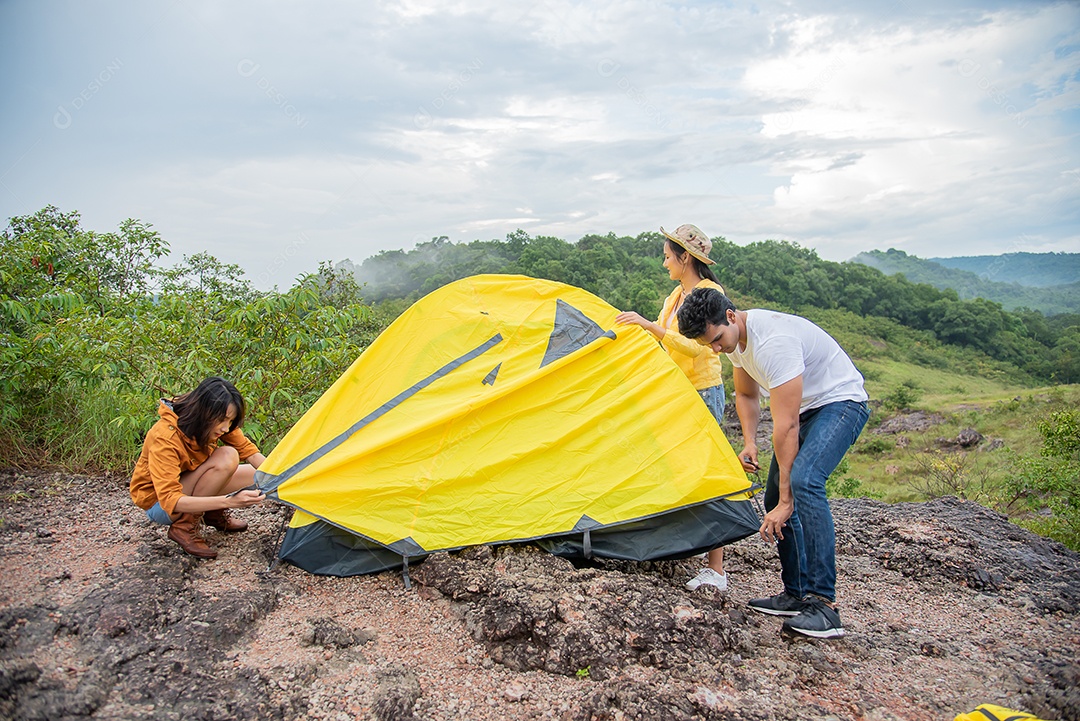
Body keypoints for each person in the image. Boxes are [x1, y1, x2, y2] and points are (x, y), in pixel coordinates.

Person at [677, 288, 869, 638]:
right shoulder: (737, 341)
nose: (716, 350)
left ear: (731, 316)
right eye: (710, 346)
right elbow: (748, 395)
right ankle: (795, 593)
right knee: (773, 496)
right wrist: (750, 442)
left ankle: (824, 606)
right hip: (809, 409)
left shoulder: (773, 343)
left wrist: (786, 501)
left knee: (806, 482)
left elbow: (787, 425)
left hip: (840, 402)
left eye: (718, 340)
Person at [615, 223, 731, 592]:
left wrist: (651, 327)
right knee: (676, 468)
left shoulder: (710, 294)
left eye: (668, 256)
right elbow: (665, 343)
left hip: (702, 390)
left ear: (685, 258)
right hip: (678, 389)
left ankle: (717, 570)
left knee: (706, 471)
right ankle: (688, 543)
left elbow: (701, 347)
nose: (664, 262)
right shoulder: (674, 296)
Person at [129, 376, 267, 559]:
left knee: (258, 474)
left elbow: (249, 452)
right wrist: (229, 501)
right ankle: (185, 527)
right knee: (227, 456)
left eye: (230, 421)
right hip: (161, 505)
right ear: (204, 411)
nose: (226, 428)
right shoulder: (164, 437)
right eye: (223, 420)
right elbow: (171, 500)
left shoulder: (216, 422)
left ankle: (209, 513)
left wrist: (285, 480)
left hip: (190, 486)